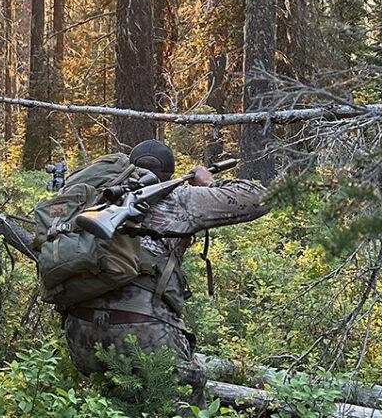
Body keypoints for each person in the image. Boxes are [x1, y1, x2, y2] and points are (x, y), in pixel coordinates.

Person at [62, 139, 270, 409]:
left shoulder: (93, 201)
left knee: (113, 405)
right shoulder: (180, 199)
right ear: (170, 176)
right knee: (183, 400)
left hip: (80, 335)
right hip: (146, 334)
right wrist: (207, 182)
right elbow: (261, 197)